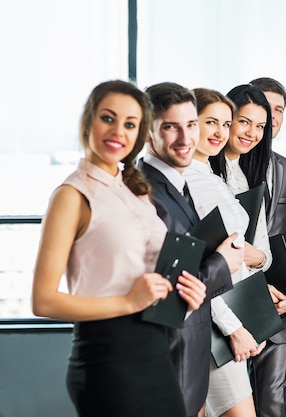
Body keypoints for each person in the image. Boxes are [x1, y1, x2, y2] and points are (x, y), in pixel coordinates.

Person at [31, 80, 208, 417]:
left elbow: (146, 276)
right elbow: (43, 300)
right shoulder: (72, 196)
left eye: (130, 124)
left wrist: (186, 293)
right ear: (88, 122)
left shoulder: (135, 191)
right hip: (107, 360)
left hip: (156, 351)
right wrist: (128, 301)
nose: (118, 132)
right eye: (108, 118)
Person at [137, 82, 242, 417]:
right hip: (174, 350)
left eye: (190, 126)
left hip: (191, 349)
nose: (185, 139)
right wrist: (223, 261)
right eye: (170, 127)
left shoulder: (177, 184)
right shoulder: (149, 192)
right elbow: (167, 298)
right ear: (147, 130)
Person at [182, 88, 265, 417]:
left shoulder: (210, 177)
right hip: (214, 323)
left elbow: (228, 261)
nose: (220, 132)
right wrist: (234, 328)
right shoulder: (191, 183)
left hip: (223, 317)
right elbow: (199, 268)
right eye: (210, 122)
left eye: (226, 123)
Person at [206, 83, 275, 417]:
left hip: (234, 309)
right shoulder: (203, 174)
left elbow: (262, 255)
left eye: (260, 126)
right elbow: (207, 263)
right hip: (211, 316)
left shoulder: (247, 175)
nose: (251, 133)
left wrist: (250, 259)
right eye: (244, 121)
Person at [248, 77, 286, 417]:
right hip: (227, 305)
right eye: (262, 109)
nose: (271, 118)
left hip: (278, 306)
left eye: (278, 110)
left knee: (272, 406)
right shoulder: (215, 167)